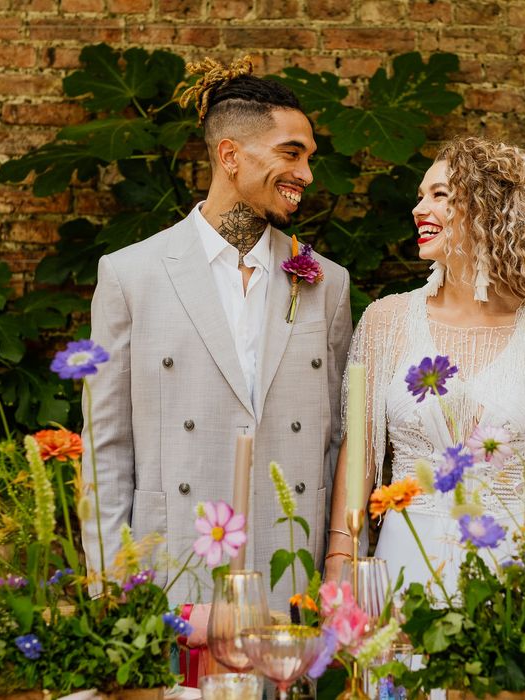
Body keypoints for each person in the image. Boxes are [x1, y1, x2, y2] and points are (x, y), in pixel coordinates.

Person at [81, 57, 352, 610]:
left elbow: (336, 445)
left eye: (309, 158)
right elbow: (105, 448)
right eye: (291, 154)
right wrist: (113, 590)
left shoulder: (328, 282)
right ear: (230, 155)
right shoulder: (131, 275)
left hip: (291, 573)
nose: (306, 174)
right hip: (171, 568)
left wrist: (339, 578)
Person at [325, 137, 525, 594]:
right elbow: (359, 455)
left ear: (487, 209)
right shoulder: (386, 321)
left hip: (520, 571)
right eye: (419, 196)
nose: (419, 209)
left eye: (439, 195)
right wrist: (340, 561)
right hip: (404, 565)